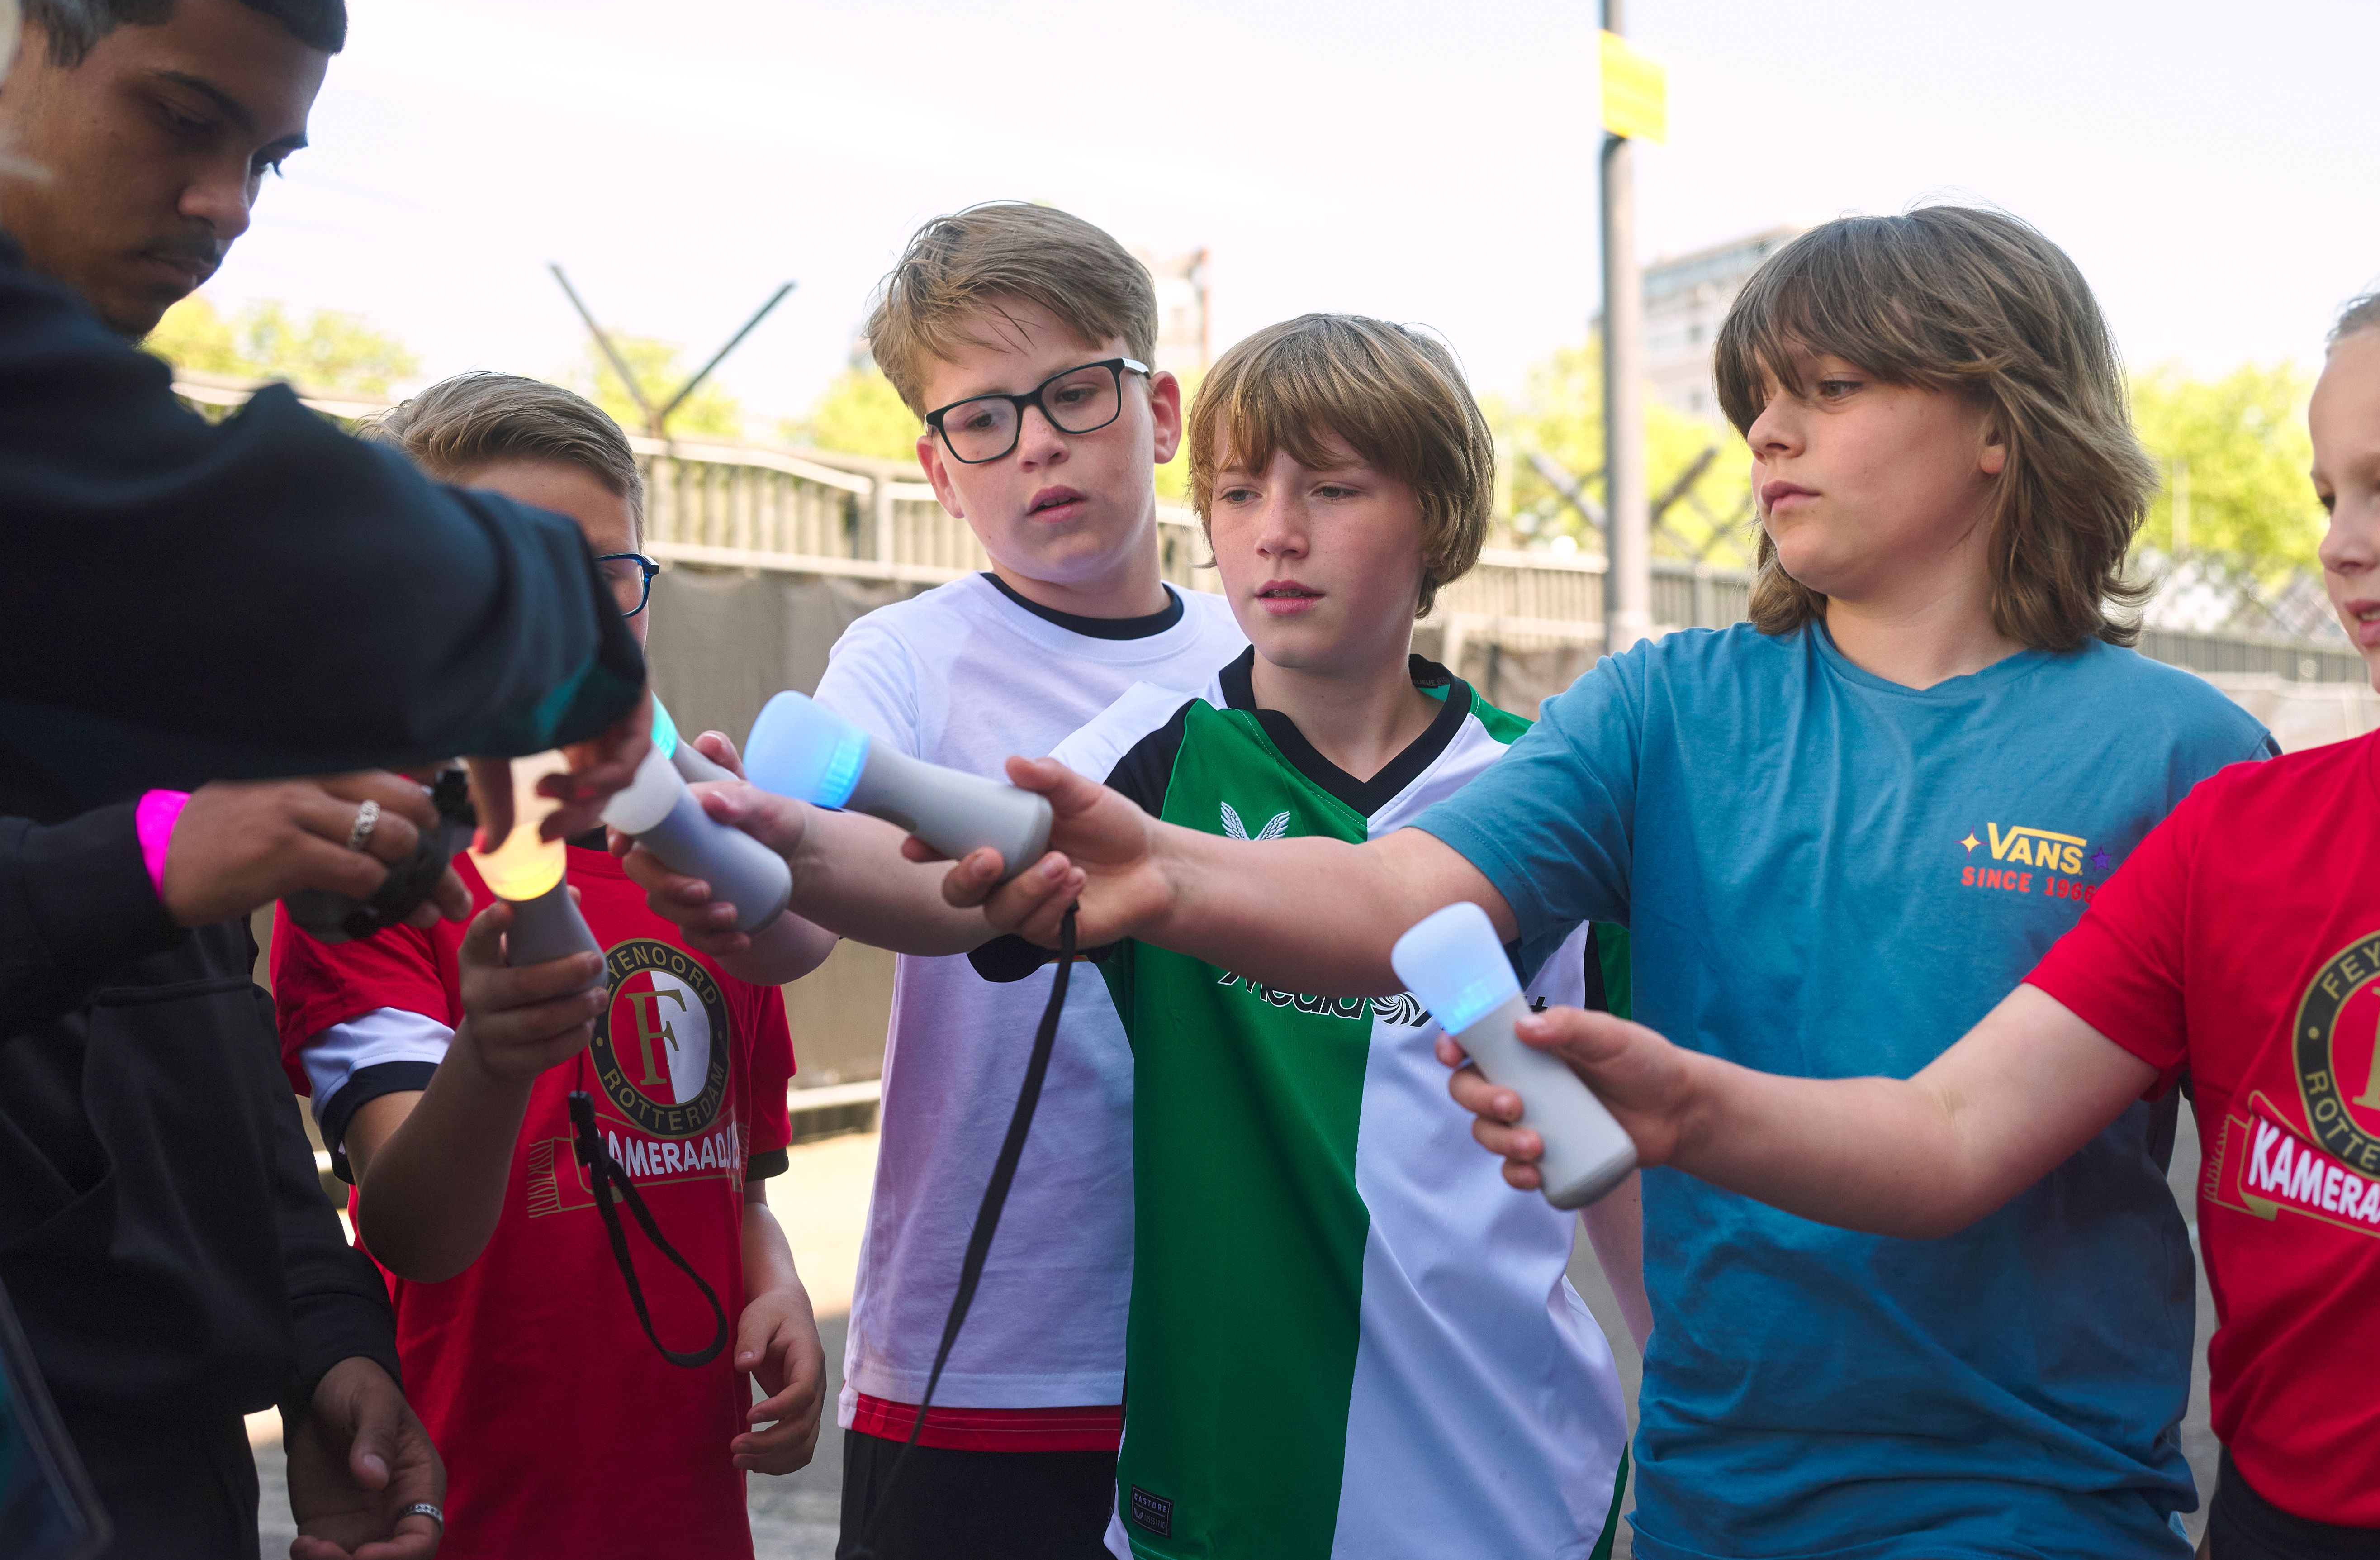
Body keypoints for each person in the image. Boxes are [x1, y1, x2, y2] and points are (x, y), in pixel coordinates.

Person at [955, 208, 2275, 1558]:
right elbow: (1403, 896)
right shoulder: (1664, 708)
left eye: (1827, 389)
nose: (1767, 431)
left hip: (2042, 1504)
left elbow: (2268, 1190)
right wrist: (1167, 872)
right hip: (1718, 1500)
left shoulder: (2187, 759)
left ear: (2000, 420)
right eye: (1757, 396)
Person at [1446, 257, 2380, 1559]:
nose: (2341, 538)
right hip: (2278, 1527)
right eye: (2328, 492)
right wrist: (1687, 1107)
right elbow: (1950, 1134)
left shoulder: (2211, 764)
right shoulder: (2245, 831)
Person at [0, 0, 623, 1560]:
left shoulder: (118, 558)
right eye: (183, 121)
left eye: (269, 160)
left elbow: (194, 1034)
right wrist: (150, 857)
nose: (223, 209)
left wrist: (327, 1330)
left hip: (161, 1459)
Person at [627, 201, 1244, 1559]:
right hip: (987, 1346)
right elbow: (805, 919)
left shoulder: (1255, 656)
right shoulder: (905, 657)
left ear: (1157, 410)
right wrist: (760, 851)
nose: (1034, 440)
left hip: (1247, 1322)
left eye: (1073, 393)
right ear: (935, 465)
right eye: (983, 417)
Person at [1010, 314, 1640, 1558]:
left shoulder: (1553, 786)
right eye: (1237, 490)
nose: (1273, 531)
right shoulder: (1146, 755)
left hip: (1515, 1485)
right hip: (1228, 1485)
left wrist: (1691, 1399)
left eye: (1332, 487)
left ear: (1439, 519)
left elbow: (1622, 1155)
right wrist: (783, 844)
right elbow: (948, 882)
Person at [271, 375, 820, 1559]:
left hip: (690, 1510)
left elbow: (738, 1177)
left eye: (606, 580)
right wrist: (495, 1053)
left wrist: (770, 1279)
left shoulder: (696, 863)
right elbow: (412, 1223)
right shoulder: (369, 882)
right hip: (466, 1505)